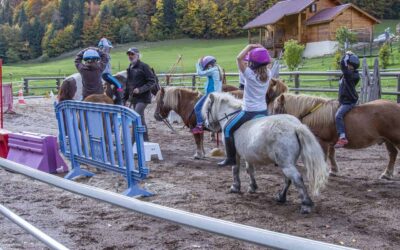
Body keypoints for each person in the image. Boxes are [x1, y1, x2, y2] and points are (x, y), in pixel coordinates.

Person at [218, 44, 272, 166]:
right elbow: (267, 60)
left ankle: (231, 158)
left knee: (227, 129)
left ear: (253, 64)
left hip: (249, 112)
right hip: (263, 111)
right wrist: (262, 49)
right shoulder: (269, 74)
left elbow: (238, 58)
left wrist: (250, 46)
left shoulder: (249, 75)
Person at [124, 47, 156, 141]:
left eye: (132, 54)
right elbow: (127, 84)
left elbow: (152, 81)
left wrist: (140, 89)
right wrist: (124, 98)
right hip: (134, 98)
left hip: (144, 98)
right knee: (140, 119)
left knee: (135, 117)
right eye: (129, 54)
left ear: (138, 55)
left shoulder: (144, 66)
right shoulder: (129, 67)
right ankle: (145, 141)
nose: (130, 56)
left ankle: (134, 142)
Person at [334, 51, 360, 148]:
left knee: (338, 116)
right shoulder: (348, 74)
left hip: (348, 102)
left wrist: (347, 55)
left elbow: (342, 65)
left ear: (351, 65)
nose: (345, 66)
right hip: (343, 100)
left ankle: (342, 137)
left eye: (347, 64)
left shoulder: (350, 75)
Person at [191, 56, 223, 134]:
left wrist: (197, 64)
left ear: (209, 65)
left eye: (206, 67)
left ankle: (199, 126)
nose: (206, 69)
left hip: (211, 95)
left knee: (197, 108)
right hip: (214, 94)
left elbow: (200, 73)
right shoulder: (216, 69)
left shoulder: (213, 71)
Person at [98, 38, 124, 105]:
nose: (110, 49)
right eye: (109, 48)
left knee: (114, 85)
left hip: (106, 75)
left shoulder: (101, 55)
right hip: (106, 75)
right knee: (119, 85)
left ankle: (114, 96)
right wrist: (104, 40)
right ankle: (120, 101)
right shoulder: (103, 54)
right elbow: (106, 46)